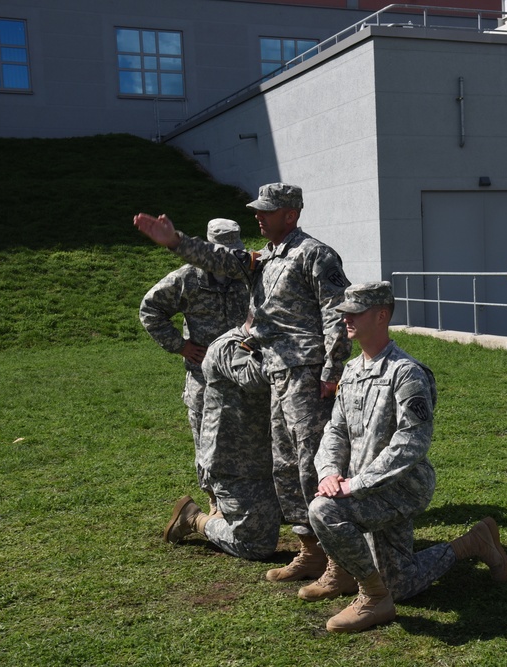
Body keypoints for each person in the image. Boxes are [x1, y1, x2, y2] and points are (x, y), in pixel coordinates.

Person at [134, 183, 351, 582]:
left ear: (291, 214)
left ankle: (338, 561)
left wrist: (332, 371)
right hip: (275, 370)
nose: (258, 216)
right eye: (257, 209)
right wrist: (176, 241)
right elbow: (218, 257)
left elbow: (336, 312)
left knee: (311, 465)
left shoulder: (315, 254)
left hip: (306, 375)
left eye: (266, 211)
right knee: (286, 465)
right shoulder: (264, 259)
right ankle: (310, 551)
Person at [305, 281, 507, 634]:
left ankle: (372, 597)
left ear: (381, 315)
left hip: (401, 488)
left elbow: (412, 442)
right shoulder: (352, 372)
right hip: (362, 487)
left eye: (356, 313)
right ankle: (473, 542)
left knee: (324, 510)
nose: (346, 320)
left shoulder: (407, 373)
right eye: (345, 313)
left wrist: (357, 483)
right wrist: (328, 472)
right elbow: (335, 431)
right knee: (400, 584)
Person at [161, 324, 280, 561]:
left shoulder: (271, 342)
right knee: (256, 545)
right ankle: (195, 519)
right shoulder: (229, 347)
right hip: (235, 464)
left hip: (267, 458)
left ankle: (226, 513)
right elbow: (253, 378)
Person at [138, 218, 250, 458]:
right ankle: (211, 493)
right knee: (206, 446)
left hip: (245, 376)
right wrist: (180, 346)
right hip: (204, 378)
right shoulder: (186, 279)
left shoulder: (247, 273)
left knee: (248, 447)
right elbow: (150, 309)